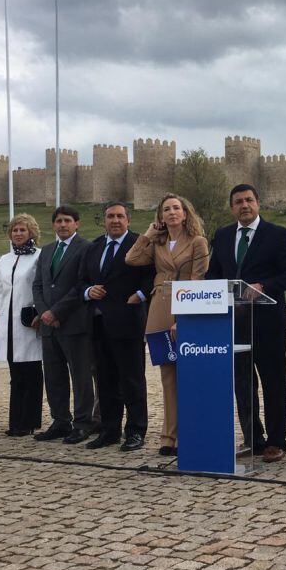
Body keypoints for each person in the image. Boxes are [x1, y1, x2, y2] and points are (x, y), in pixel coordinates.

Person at [206, 184, 286, 462]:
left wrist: (263, 285)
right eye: (238, 202)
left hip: (267, 323)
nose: (244, 205)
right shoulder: (223, 236)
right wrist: (216, 292)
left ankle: (275, 441)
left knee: (273, 383)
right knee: (243, 385)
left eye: (249, 200)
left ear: (258, 203)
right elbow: (214, 274)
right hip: (234, 323)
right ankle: (253, 439)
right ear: (232, 207)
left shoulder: (277, 235)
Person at [125, 193, 209, 457]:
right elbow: (131, 259)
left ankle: (190, 432)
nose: (172, 213)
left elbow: (198, 280)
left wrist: (183, 317)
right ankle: (168, 436)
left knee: (188, 374)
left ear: (185, 213)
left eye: (176, 208)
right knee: (168, 377)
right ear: (161, 216)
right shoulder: (157, 242)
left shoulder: (198, 242)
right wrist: (148, 234)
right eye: (166, 210)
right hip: (159, 308)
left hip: (185, 305)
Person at [78, 202, 155, 452]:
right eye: (110, 216)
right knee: (106, 380)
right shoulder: (94, 247)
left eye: (120, 216)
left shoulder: (139, 244)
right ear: (104, 221)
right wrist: (89, 291)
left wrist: (141, 295)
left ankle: (135, 430)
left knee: (131, 380)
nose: (115, 221)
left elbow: (150, 275)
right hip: (98, 324)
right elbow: (82, 281)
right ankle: (109, 430)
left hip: (127, 322)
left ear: (128, 220)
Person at [31, 206, 93, 444]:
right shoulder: (46, 251)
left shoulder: (86, 248)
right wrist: (44, 311)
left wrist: (57, 311)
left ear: (76, 223)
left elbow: (81, 285)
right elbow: (38, 285)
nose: (63, 225)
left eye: (68, 220)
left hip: (74, 322)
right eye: (59, 221)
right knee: (54, 376)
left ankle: (82, 422)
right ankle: (60, 420)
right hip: (49, 325)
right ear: (53, 225)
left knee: (80, 376)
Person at [0, 213, 44, 436]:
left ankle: (30, 420)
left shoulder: (39, 257)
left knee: (31, 372)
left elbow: (41, 287)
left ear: (31, 232)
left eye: (22, 230)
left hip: (28, 321)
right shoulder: (4, 259)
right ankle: (16, 421)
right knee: (15, 374)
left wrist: (39, 313)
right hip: (8, 322)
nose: (18, 234)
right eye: (15, 230)